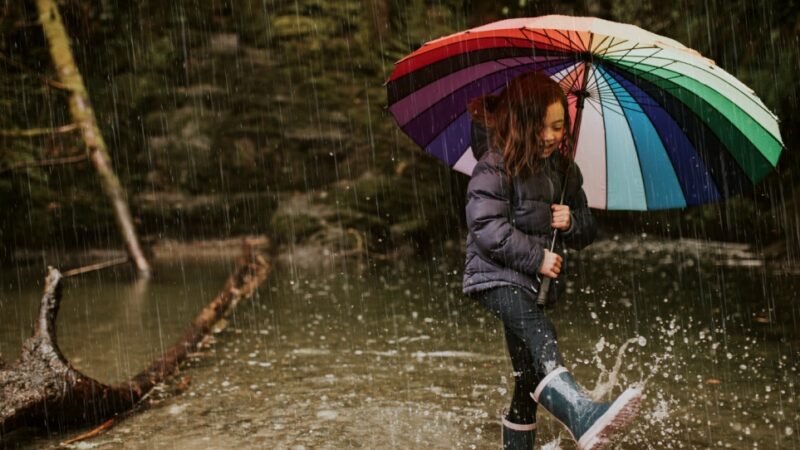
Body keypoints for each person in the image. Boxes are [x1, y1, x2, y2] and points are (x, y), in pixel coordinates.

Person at [463, 71, 642, 450]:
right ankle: (580, 413)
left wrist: (572, 221)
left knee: (527, 374)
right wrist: (538, 257)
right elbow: (486, 226)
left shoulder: (563, 171)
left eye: (558, 127)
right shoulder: (495, 164)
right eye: (541, 127)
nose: (550, 136)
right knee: (540, 334)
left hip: (533, 282)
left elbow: (588, 231)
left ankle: (517, 443)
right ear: (521, 123)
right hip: (495, 277)